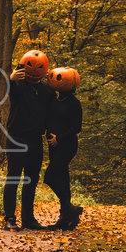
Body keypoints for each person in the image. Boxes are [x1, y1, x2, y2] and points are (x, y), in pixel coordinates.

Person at [3, 50, 55, 230]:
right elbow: (10, 92)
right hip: (16, 137)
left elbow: (50, 115)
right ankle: (9, 218)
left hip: (35, 139)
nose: (33, 73)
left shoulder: (47, 91)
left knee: (31, 180)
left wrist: (52, 133)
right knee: (13, 178)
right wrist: (11, 79)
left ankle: (28, 218)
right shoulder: (18, 87)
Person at [45, 67, 83, 230]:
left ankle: (69, 208)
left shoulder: (74, 103)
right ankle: (66, 218)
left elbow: (77, 127)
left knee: (50, 177)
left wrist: (59, 139)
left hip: (67, 146)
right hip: (53, 146)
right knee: (63, 179)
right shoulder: (54, 99)